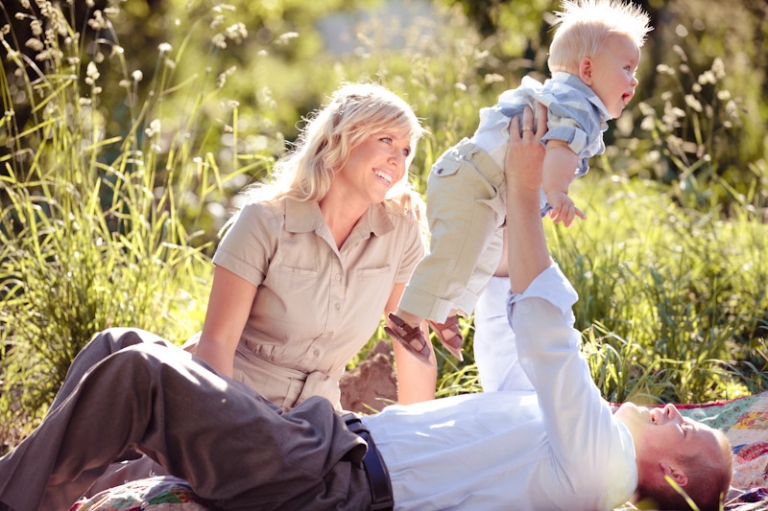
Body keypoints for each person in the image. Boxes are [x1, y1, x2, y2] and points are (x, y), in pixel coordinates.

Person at [0, 107, 732, 511]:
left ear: (669, 482)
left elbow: (550, 338)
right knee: (117, 344)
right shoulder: (575, 436)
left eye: (691, 431)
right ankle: (40, 489)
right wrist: (507, 205)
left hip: (331, 479)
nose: (675, 410)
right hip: (326, 445)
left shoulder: (598, 461)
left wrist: (521, 196)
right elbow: (512, 325)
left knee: (137, 371)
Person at [386, 0, 652, 364]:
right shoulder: (578, 105)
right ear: (587, 70)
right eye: (626, 68)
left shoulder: (563, 98)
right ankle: (408, 317)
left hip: (481, 182)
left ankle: (443, 308)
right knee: (458, 251)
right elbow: (560, 149)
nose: (634, 79)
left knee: (484, 252)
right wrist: (558, 191)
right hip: (475, 179)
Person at [189, 82, 436, 409]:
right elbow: (215, 345)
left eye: (405, 150)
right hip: (233, 401)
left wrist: (417, 443)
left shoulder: (401, 231)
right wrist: (224, 435)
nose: (397, 160)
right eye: (386, 140)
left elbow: (411, 341)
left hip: (319, 421)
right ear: (341, 139)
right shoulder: (264, 222)